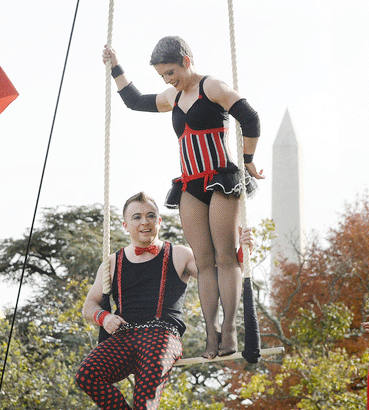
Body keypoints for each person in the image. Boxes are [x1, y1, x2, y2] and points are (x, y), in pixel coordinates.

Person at [76, 191, 253, 410]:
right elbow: (89, 305)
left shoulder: (179, 254)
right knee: (87, 375)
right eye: (137, 217)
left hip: (162, 334)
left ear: (159, 220)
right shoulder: (112, 262)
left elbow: (217, 276)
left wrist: (240, 254)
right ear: (126, 224)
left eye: (150, 216)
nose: (144, 222)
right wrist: (104, 317)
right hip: (125, 336)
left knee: (145, 394)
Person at [102, 36, 264, 360]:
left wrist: (248, 160)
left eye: (171, 72)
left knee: (224, 257)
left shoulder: (212, 87)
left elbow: (250, 118)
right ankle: (211, 332)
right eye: (163, 75)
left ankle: (230, 328)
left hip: (221, 179)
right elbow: (134, 100)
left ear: (186, 61)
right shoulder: (171, 96)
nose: (167, 80)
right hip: (190, 184)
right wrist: (115, 65)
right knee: (203, 262)